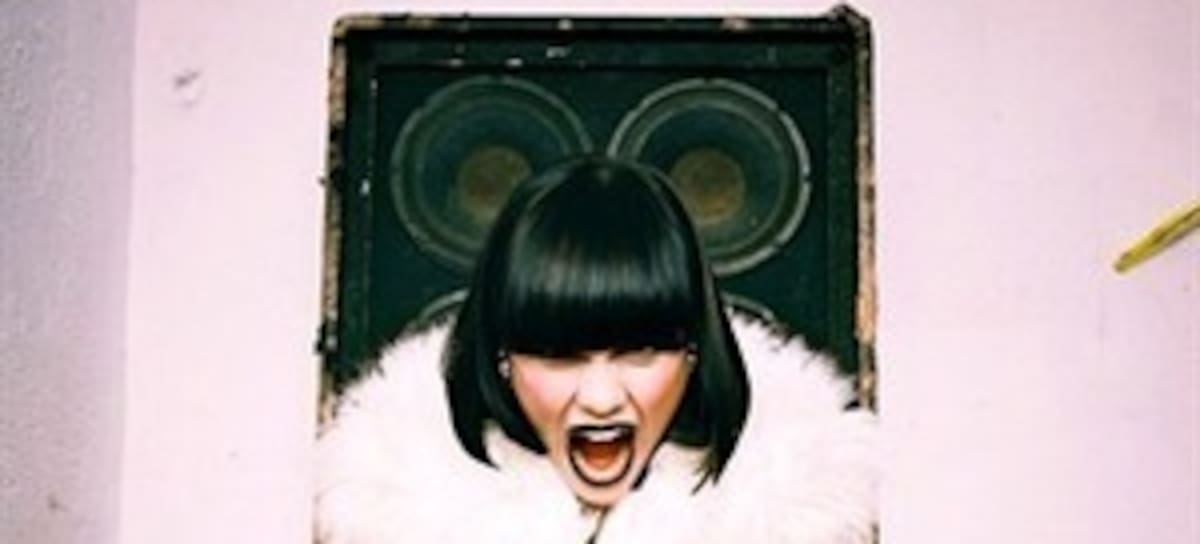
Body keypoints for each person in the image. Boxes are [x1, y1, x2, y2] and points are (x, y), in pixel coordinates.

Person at [316, 157, 878, 543]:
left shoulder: (801, 513)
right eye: (560, 356)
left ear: (692, 353)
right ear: (503, 359)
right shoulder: (388, 509)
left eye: (640, 352)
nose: (603, 398)